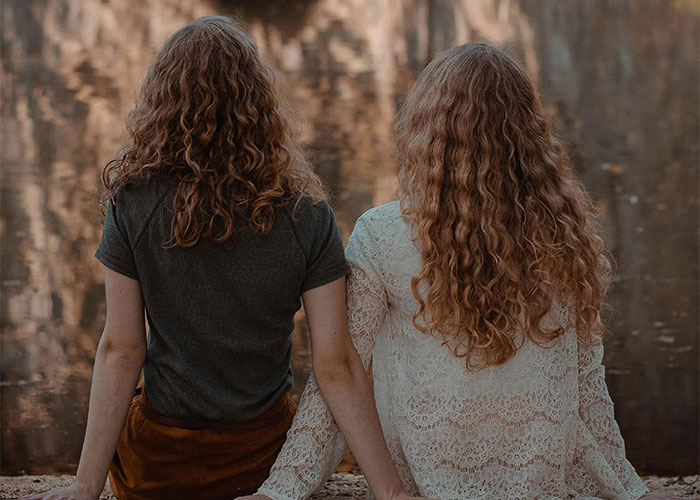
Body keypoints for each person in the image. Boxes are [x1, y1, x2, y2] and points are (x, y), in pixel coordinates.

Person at [21, 16, 431, 500]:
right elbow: (336, 364)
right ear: (260, 102)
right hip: (260, 462)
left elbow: (122, 349)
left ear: (161, 101)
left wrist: (85, 487)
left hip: (156, 467)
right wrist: (390, 491)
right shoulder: (306, 215)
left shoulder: (132, 203)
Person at [247, 43, 677, 500]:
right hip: (541, 483)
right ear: (528, 133)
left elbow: (340, 371)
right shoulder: (564, 232)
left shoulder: (383, 233)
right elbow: (587, 388)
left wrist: (281, 489)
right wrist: (632, 489)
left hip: (424, 481)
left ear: (426, 129)